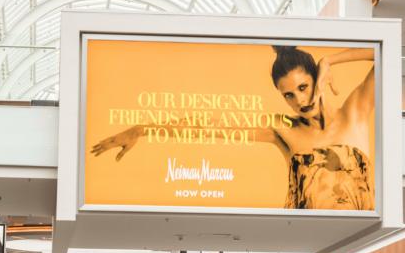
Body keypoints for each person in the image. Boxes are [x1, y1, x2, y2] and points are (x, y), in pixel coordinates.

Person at [91, 46, 375, 211]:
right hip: (307, 242)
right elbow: (208, 125)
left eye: (303, 87)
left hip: (359, 236)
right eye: (288, 95)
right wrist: (143, 129)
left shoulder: (356, 110)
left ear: (318, 78)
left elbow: (387, 50)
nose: (299, 100)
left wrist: (329, 60)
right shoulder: (283, 128)